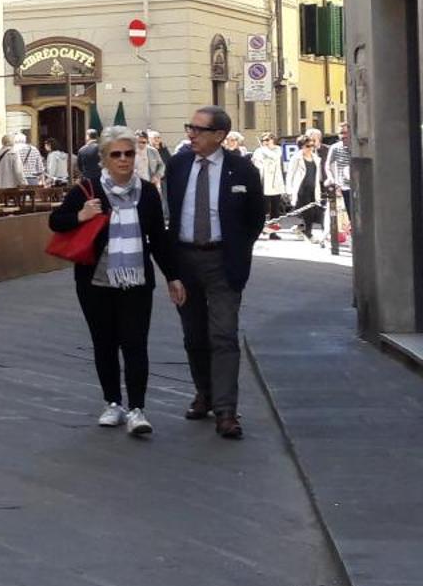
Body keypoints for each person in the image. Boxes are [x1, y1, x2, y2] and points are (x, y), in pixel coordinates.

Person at [47, 128, 185, 438]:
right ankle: (113, 403)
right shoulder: (88, 190)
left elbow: (159, 240)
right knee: (105, 344)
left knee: (135, 343)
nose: (123, 159)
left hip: (136, 282)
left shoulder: (148, 193)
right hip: (95, 283)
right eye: (116, 154)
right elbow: (55, 222)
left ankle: (137, 409)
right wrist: (80, 216)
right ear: (104, 159)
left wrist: (173, 277)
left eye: (129, 153)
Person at [162, 105, 266, 440]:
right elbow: (171, 215)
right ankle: (204, 393)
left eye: (198, 129)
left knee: (223, 335)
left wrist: (236, 250)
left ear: (219, 136)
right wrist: (171, 270)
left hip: (223, 261)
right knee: (194, 335)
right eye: (189, 127)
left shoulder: (243, 170)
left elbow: (254, 219)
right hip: (185, 259)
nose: (190, 133)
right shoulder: (176, 166)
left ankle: (226, 411)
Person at [283, 132, 325, 240]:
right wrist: (289, 191)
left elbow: (317, 176)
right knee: (308, 213)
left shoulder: (316, 158)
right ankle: (308, 234)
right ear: (301, 147)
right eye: (308, 146)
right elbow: (290, 175)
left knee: (317, 213)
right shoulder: (296, 158)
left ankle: (300, 228)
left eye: (312, 145)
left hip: (313, 189)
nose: (310, 148)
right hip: (301, 190)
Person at [254, 132, 287, 230]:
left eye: (267, 140)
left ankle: (273, 229)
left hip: (275, 183)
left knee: (275, 208)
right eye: (263, 140)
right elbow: (258, 162)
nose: (265, 142)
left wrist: (264, 150)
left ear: (273, 140)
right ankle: (260, 228)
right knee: (263, 208)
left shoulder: (278, 149)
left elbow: (275, 157)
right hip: (263, 182)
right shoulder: (258, 151)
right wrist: (262, 151)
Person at [328, 123, 354, 229]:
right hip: (344, 186)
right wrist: (332, 179)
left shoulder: (356, 145)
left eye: (346, 132)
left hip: (358, 185)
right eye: (341, 133)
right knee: (349, 213)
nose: (344, 135)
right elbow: (328, 165)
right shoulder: (335, 148)